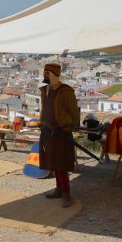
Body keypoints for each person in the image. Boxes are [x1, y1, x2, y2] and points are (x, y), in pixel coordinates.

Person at [39, 62, 79, 208]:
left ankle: (67, 194)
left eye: (47, 73)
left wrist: (70, 127)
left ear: (54, 74)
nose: (44, 76)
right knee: (53, 162)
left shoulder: (66, 91)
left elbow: (74, 112)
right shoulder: (45, 90)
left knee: (61, 164)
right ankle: (58, 189)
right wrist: (41, 122)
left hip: (61, 132)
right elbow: (44, 108)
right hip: (47, 131)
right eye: (44, 73)